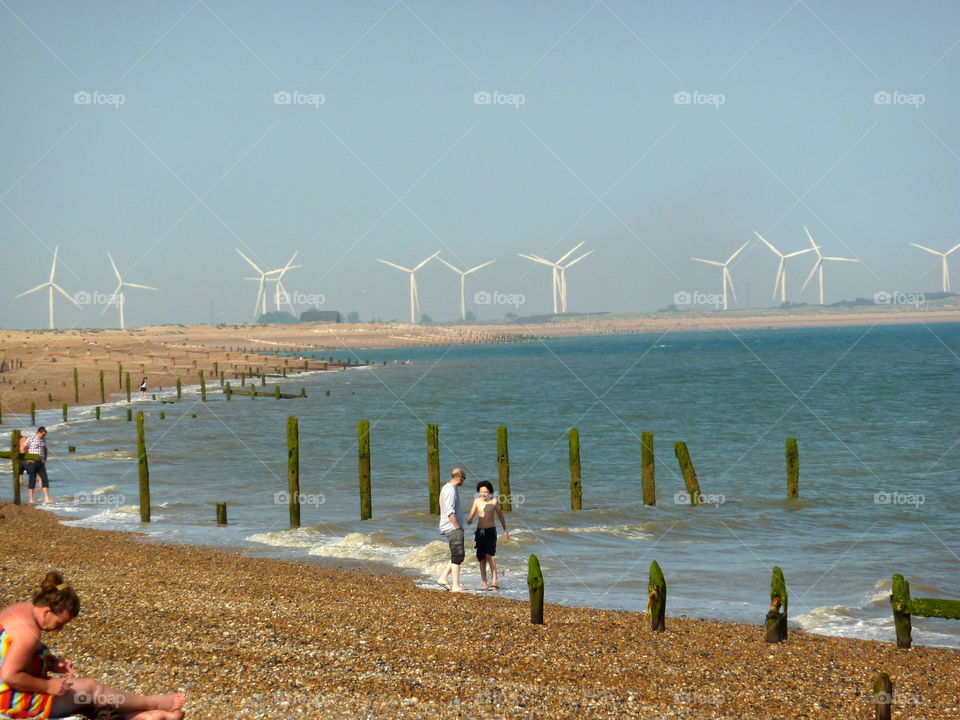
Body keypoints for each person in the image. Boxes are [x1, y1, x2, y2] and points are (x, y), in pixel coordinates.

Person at [0, 571, 186, 719]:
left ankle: (144, 716)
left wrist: (51, 662)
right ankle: (153, 703)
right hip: (10, 701)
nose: (60, 630)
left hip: (10, 694)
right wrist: (47, 687)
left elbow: (12, 655)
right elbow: (9, 675)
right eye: (59, 623)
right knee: (91, 689)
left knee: (84, 697)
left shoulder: (21, 609)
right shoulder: (28, 633)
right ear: (47, 611)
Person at [467, 481, 509, 589]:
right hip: (480, 532)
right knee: (481, 558)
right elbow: (472, 514)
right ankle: (484, 581)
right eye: (481, 492)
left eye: (486, 492)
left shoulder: (494, 501)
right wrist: (469, 519)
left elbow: (500, 516)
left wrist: (505, 530)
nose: (483, 494)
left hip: (490, 531)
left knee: (490, 555)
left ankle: (495, 580)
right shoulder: (477, 501)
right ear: (478, 492)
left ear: (490, 492)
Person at [436, 467, 466, 592]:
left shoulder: (448, 488)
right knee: (458, 555)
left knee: (457, 555)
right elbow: (450, 511)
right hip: (452, 526)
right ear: (459, 476)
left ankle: (443, 578)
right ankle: (456, 585)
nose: (464, 481)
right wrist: (457, 526)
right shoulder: (450, 490)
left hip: (451, 526)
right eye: (464, 478)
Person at [24, 428, 50, 505]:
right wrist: (27, 458)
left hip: (41, 462)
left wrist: (45, 458)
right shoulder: (31, 438)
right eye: (43, 434)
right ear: (39, 432)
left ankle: (47, 498)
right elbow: (24, 448)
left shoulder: (43, 439)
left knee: (45, 479)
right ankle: (31, 499)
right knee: (32, 480)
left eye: (45, 434)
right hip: (32, 462)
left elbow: (45, 448)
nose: (44, 435)